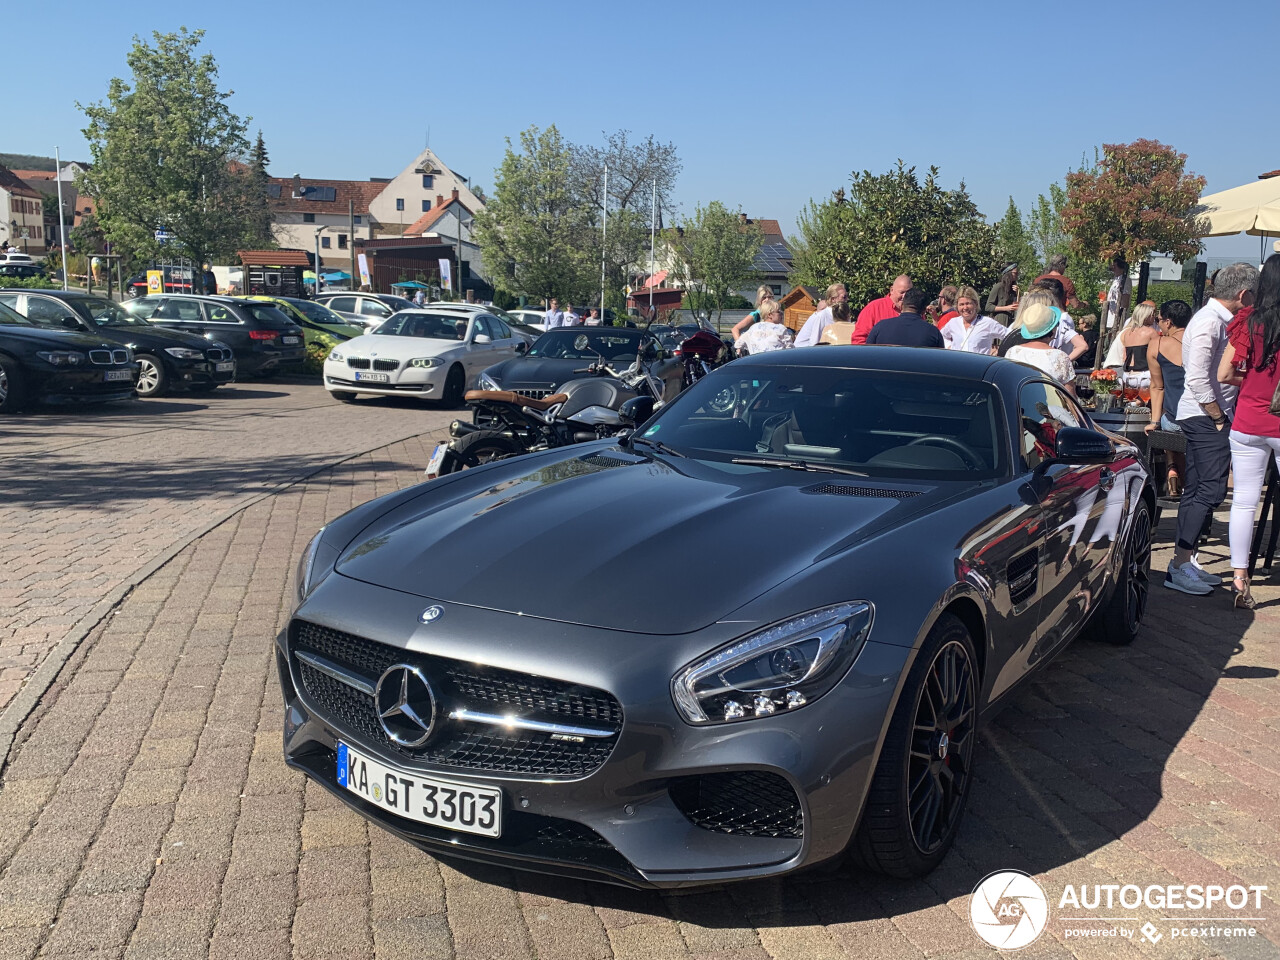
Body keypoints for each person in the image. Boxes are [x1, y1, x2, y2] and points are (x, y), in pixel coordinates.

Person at [1165, 262, 1259, 596]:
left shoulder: (1219, 321)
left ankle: (1185, 560)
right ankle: (1179, 564)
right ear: (1243, 294)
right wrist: (1219, 417)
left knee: (1201, 490)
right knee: (1209, 490)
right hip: (1204, 416)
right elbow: (1198, 377)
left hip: (1206, 414)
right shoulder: (1209, 323)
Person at [1219, 256, 1280, 608]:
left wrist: (1255, 382)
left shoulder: (1248, 321)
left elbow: (1225, 374)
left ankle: (1240, 579)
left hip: (1247, 421)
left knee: (1243, 501)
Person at [1145, 299, 1190, 497]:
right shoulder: (1200, 342)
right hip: (1202, 420)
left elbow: (1157, 387)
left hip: (1173, 420)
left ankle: (1173, 471)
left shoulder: (1158, 344)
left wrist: (1153, 422)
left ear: (1169, 322)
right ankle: (1186, 480)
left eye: (1159, 319)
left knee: (1167, 426)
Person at [1004, 303, 1076, 393]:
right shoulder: (1060, 357)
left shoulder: (1012, 352)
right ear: (1053, 329)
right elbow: (1070, 397)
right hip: (1049, 406)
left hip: (1017, 405)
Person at [865, 290, 944, 347]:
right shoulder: (933, 333)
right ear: (924, 310)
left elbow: (868, 356)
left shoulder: (880, 327)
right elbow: (940, 362)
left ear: (902, 305)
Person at [941, 286, 1006, 353]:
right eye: (961, 304)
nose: (965, 307)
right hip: (957, 363)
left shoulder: (987, 323)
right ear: (957, 306)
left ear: (976, 304)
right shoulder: (953, 323)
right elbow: (941, 336)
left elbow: (1009, 336)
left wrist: (1000, 352)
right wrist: (948, 346)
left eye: (968, 303)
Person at [851, 275, 911, 344]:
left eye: (909, 293)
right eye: (902, 292)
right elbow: (859, 340)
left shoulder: (916, 311)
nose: (905, 296)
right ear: (892, 290)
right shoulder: (874, 308)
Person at [794, 283, 848, 347]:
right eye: (844, 297)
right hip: (803, 352)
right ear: (833, 299)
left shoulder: (844, 315)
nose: (847, 299)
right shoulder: (822, 316)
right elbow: (814, 343)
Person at [984, 263, 1020, 328]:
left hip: (1011, 321)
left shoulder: (1014, 288)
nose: (1017, 275)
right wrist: (1006, 308)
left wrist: (1018, 294)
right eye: (1015, 273)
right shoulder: (998, 287)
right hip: (1000, 321)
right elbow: (988, 307)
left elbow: (1019, 306)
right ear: (1008, 273)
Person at [1103, 255, 1132, 332]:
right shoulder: (1115, 280)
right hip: (1110, 319)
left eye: (1114, 265)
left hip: (1117, 321)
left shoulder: (1125, 280)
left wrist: (1119, 318)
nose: (1112, 267)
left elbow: (1125, 301)